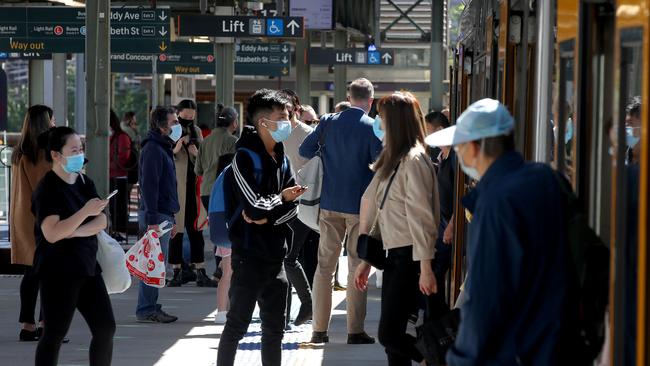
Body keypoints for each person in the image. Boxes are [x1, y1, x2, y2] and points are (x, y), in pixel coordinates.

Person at [425, 99, 570, 365]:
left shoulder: (494, 202)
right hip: (558, 339)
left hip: (515, 348)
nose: (458, 152)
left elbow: (486, 297)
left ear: (475, 148)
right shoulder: (547, 178)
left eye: (461, 145)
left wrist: (462, 358)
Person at [217, 89, 305, 366]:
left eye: (289, 116)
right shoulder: (244, 159)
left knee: (274, 331)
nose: (288, 122)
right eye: (282, 116)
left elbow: (294, 208)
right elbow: (254, 206)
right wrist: (280, 199)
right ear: (263, 122)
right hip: (248, 257)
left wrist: (269, 214)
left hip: (276, 257)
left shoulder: (284, 158)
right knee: (236, 327)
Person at [354, 92, 439, 366]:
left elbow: (422, 218)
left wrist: (425, 267)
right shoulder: (394, 159)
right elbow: (381, 212)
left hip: (409, 257)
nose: (378, 122)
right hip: (393, 256)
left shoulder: (413, 161)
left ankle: (434, 359)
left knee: (389, 334)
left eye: (383, 118)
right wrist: (367, 260)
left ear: (397, 123)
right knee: (394, 342)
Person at [300, 78, 382, 344]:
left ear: (349, 95)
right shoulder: (372, 127)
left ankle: (319, 330)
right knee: (357, 266)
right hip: (361, 207)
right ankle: (354, 330)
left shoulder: (328, 122)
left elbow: (305, 149)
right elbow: (380, 166)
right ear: (370, 101)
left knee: (324, 267)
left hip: (330, 204)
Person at [32, 126, 115, 366]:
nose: (80, 154)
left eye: (81, 149)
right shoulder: (47, 189)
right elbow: (52, 233)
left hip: (87, 266)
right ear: (56, 155)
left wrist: (74, 231)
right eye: (74, 150)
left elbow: (102, 220)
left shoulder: (83, 181)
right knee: (55, 333)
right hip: (58, 271)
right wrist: (83, 213)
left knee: (106, 327)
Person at [10, 105, 55, 342]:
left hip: (23, 217)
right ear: (44, 122)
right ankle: (46, 324)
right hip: (43, 218)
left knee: (31, 274)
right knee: (49, 274)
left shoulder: (20, 151)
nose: (54, 123)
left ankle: (27, 325)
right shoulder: (44, 152)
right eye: (52, 119)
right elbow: (48, 186)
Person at [136, 106, 181, 324]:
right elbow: (150, 186)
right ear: (162, 126)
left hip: (163, 214)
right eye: (173, 122)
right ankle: (147, 308)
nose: (177, 125)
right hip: (157, 215)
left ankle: (149, 306)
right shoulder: (154, 149)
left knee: (155, 263)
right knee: (153, 263)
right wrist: (153, 221)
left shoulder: (161, 147)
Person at [195, 106, 239, 324]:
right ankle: (223, 264)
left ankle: (221, 263)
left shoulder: (206, 140)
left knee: (220, 236)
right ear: (233, 123)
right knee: (230, 245)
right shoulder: (232, 141)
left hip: (208, 192)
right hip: (227, 197)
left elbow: (198, 170)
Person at [168, 99, 216, 287]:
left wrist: (196, 152)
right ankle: (177, 271)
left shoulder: (196, 131)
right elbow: (167, 155)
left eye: (191, 116)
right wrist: (177, 147)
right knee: (177, 232)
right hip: (178, 188)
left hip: (194, 188)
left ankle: (200, 270)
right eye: (184, 116)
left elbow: (204, 160)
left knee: (196, 230)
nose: (187, 120)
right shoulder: (172, 130)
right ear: (178, 113)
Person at [280, 89, 315, 326]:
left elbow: (316, 170)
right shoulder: (274, 134)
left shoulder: (308, 134)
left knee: (288, 259)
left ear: (296, 108)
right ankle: (284, 315)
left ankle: (305, 305)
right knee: (285, 260)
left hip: (302, 204)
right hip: (279, 203)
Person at [424, 111, 456, 302]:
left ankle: (435, 323)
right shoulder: (442, 156)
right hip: (439, 224)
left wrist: (452, 225)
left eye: (428, 131)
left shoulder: (455, 158)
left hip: (449, 227)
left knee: (435, 274)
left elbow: (462, 195)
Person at [109, 109, 132, 238]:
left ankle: (120, 232)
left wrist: (107, 165)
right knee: (113, 207)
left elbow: (123, 158)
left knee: (119, 207)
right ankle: (115, 231)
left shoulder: (121, 137)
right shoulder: (113, 136)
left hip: (119, 177)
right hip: (111, 176)